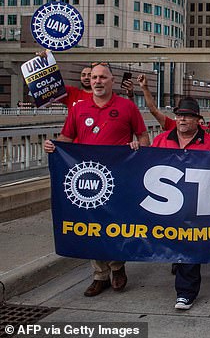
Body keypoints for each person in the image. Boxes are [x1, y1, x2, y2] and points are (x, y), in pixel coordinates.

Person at [43, 62, 150, 297]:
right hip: (89, 178)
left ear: (112, 80)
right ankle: (99, 275)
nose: (97, 81)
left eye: (102, 77)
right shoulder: (78, 108)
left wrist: (137, 149)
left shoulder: (127, 107)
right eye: (93, 77)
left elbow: (143, 137)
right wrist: (53, 146)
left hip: (119, 177)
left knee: (115, 224)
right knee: (92, 225)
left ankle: (118, 266)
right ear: (89, 81)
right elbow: (66, 137)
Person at [151, 97, 210, 310]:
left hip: (197, 208)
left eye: (187, 115)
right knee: (176, 247)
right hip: (168, 207)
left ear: (198, 120)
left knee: (189, 247)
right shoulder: (161, 140)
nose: (182, 119)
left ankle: (185, 293)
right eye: (179, 115)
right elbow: (144, 164)